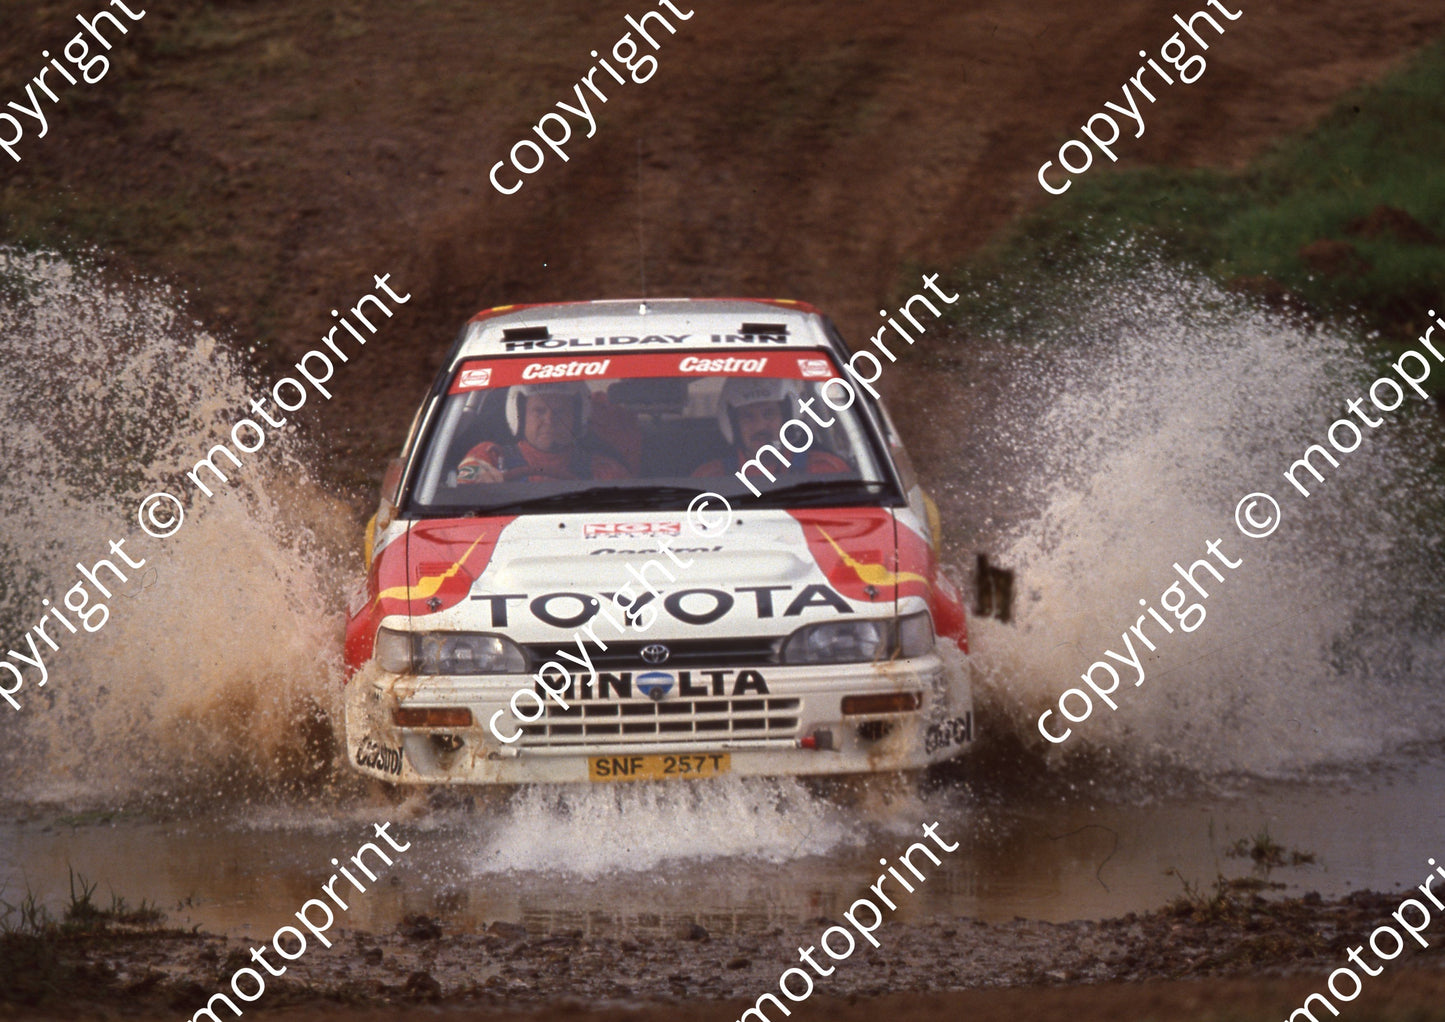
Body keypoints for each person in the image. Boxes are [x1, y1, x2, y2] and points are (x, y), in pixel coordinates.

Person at [457, 382, 628, 483]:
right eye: (539, 411)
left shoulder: (603, 470)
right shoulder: (490, 456)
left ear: (577, 418)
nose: (549, 420)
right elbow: (466, 484)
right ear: (520, 416)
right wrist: (481, 481)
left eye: (559, 412)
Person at [693, 377, 851, 478]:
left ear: (787, 418)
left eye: (769, 414)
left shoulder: (828, 469)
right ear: (733, 425)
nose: (760, 426)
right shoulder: (709, 478)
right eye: (748, 417)